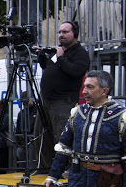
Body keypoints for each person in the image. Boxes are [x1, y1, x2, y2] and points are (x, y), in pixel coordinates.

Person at [36, 21, 90, 168]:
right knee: (41, 136)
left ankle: (67, 170)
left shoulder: (80, 53)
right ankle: (44, 168)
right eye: (59, 32)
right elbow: (47, 67)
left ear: (75, 34)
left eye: (65, 32)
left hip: (62, 101)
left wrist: (61, 58)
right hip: (46, 100)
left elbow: (75, 71)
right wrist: (42, 55)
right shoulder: (59, 51)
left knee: (62, 136)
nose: (61, 35)